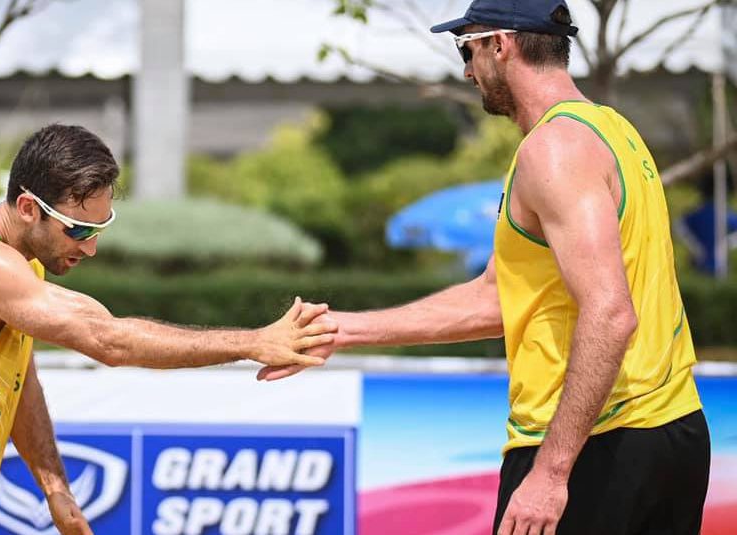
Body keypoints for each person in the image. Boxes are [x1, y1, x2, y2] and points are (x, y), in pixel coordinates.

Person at [260, 1, 710, 534]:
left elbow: (611, 313)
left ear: (502, 45)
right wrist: (345, 330)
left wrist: (550, 471)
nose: (468, 71)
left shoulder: (553, 151)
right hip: (672, 430)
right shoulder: (612, 130)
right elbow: (499, 296)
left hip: (596, 443)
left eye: (467, 50)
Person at [0, 124, 335, 535]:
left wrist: (55, 488)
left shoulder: (19, 260)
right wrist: (252, 342)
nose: (89, 247)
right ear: (28, 207)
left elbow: (18, 379)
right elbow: (106, 339)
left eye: (98, 229)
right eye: (78, 230)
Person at [675, 167, 737, 275]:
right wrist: (727, 244)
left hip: (705, 265)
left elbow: (679, 225)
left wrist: (695, 246)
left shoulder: (703, 212)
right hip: (709, 266)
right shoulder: (722, 213)